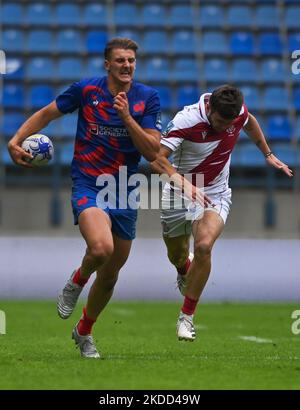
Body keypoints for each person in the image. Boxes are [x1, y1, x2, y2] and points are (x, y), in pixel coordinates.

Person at [8, 38, 161, 358]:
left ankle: (84, 332)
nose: (127, 66)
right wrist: (17, 139)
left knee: (110, 275)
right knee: (101, 248)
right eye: (120, 60)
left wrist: (127, 118)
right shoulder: (86, 90)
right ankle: (75, 282)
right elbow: (48, 113)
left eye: (131, 61)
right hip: (88, 182)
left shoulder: (147, 98)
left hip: (124, 188)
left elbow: (151, 152)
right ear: (107, 64)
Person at [151, 84, 293, 342]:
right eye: (219, 121)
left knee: (204, 245)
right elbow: (156, 159)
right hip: (178, 192)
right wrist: (186, 185)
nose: (224, 126)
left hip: (215, 193)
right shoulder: (186, 119)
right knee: (177, 254)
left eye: (229, 122)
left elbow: (249, 122)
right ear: (209, 108)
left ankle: (186, 317)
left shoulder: (236, 113)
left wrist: (268, 153)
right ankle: (184, 269)